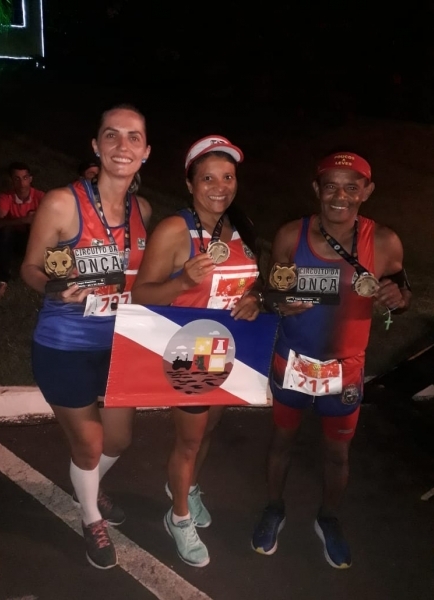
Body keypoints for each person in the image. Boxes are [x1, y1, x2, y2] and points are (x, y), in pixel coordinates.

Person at [251, 151, 411, 568]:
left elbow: (401, 290)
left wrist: (397, 299)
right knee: (281, 442)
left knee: (337, 454)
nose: (340, 196)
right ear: (316, 189)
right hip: (293, 363)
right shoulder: (291, 235)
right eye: (331, 187)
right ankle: (274, 508)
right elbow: (269, 290)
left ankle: (329, 518)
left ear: (366, 191)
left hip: (345, 369)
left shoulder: (384, 242)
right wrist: (278, 303)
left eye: (351, 187)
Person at [21, 104, 151, 570]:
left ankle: (88, 484)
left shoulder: (143, 210)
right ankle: (90, 513)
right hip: (65, 342)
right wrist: (54, 288)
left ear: (146, 151)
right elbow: (30, 267)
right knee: (90, 443)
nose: (122, 145)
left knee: (119, 440)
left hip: (120, 344)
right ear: (96, 146)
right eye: (111, 135)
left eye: (133, 137)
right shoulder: (62, 202)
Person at [131, 135, 263, 567]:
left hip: (229, 350)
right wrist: (183, 282)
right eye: (208, 178)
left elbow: (251, 283)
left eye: (228, 177)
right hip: (189, 350)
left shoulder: (240, 225)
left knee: (207, 432)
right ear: (190, 183)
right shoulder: (174, 229)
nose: (219, 186)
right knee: (189, 441)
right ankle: (178, 516)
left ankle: (187, 489)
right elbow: (140, 296)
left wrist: (255, 298)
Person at [0, 162, 45, 301]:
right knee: (6, 230)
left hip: (32, 239)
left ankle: (38, 269)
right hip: (11, 240)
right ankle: (1, 281)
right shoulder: (6, 197)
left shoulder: (40, 197)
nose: (22, 183)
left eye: (25, 178)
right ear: (11, 180)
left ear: (30, 179)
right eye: (17, 178)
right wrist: (23, 220)